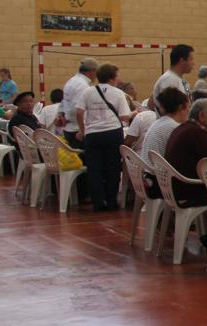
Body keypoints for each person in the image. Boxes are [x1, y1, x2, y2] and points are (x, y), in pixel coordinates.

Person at [76, 63, 133, 212]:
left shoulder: (88, 92)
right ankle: (111, 201)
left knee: (94, 169)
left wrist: (83, 130)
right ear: (112, 78)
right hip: (112, 132)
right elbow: (124, 116)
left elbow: (79, 112)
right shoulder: (118, 93)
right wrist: (133, 114)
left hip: (93, 134)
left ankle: (98, 202)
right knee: (113, 168)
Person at [163, 98, 207, 208]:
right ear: (201, 116)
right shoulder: (198, 133)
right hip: (188, 191)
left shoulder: (182, 128)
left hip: (172, 188)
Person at [141, 88, 191, 163]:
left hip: (147, 167)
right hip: (157, 169)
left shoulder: (158, 122)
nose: (189, 111)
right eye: (189, 107)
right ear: (181, 108)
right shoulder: (175, 128)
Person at [58, 58, 97, 147]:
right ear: (92, 71)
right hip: (77, 130)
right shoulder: (83, 86)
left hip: (69, 128)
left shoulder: (71, 81)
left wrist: (61, 115)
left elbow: (64, 101)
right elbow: (76, 109)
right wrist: (66, 119)